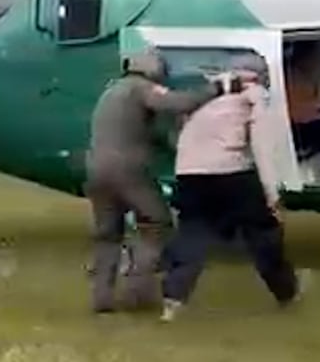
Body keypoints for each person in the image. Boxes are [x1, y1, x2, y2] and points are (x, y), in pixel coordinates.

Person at [84, 48, 247, 314]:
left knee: (108, 236)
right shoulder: (141, 88)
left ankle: (101, 298)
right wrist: (218, 88)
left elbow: (143, 131)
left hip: (95, 169)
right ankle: (138, 292)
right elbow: (177, 103)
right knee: (156, 222)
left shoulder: (112, 91)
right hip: (126, 169)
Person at [159, 53, 300, 322]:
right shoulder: (255, 95)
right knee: (263, 235)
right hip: (231, 171)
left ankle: (173, 300)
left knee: (192, 234)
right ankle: (287, 293)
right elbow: (262, 146)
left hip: (190, 174)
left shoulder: (206, 93)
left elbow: (181, 135)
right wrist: (272, 195)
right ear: (260, 74)